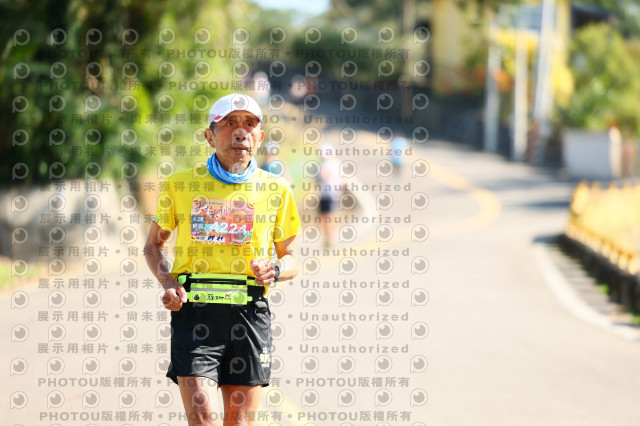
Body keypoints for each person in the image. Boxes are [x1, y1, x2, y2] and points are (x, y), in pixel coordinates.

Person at [144, 93, 301, 426]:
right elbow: (153, 246)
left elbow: (291, 258)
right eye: (229, 123)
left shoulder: (277, 189)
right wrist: (169, 283)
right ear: (209, 135)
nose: (240, 132)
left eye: (250, 124)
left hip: (249, 316)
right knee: (203, 419)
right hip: (194, 315)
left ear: (260, 136)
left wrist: (274, 270)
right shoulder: (180, 184)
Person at [317, 143, 342, 248]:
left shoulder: (332, 164)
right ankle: (328, 236)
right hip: (326, 194)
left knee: (329, 216)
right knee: (325, 216)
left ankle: (330, 237)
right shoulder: (325, 164)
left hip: (331, 194)